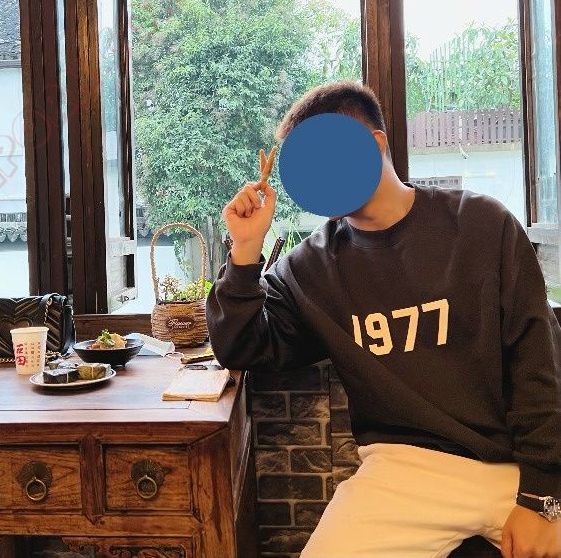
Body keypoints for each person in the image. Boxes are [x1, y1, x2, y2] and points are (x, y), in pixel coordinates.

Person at [206, 81, 561, 558]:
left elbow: (540, 362)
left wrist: (541, 495)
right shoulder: (310, 269)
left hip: (517, 466)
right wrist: (245, 249)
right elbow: (241, 347)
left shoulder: (482, 225)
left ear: (374, 145)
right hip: (401, 472)